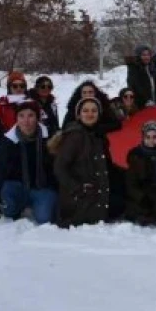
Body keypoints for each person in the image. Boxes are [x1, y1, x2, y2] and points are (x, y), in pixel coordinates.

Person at [0, 101, 58, 225]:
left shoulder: (49, 137)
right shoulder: (9, 140)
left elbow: (59, 165)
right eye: (21, 116)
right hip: (16, 185)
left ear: (37, 118)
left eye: (31, 115)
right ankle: (21, 205)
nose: (26, 120)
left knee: (44, 218)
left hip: (42, 187)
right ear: (17, 119)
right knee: (8, 210)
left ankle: (36, 203)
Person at [54, 97, 112, 228]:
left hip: (95, 198)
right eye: (85, 111)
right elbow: (59, 168)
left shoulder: (98, 135)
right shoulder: (74, 136)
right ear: (79, 115)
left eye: (94, 110)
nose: (90, 114)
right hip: (79, 200)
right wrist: (78, 188)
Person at [125, 120, 156, 226]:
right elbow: (130, 183)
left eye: (155, 137)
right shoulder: (136, 156)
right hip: (143, 194)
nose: (151, 140)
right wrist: (141, 197)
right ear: (143, 137)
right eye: (148, 137)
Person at [127, 45, 156, 109]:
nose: (146, 57)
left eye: (148, 55)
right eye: (143, 55)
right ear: (138, 56)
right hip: (141, 104)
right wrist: (146, 100)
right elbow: (136, 86)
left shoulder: (151, 67)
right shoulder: (133, 68)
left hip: (154, 102)